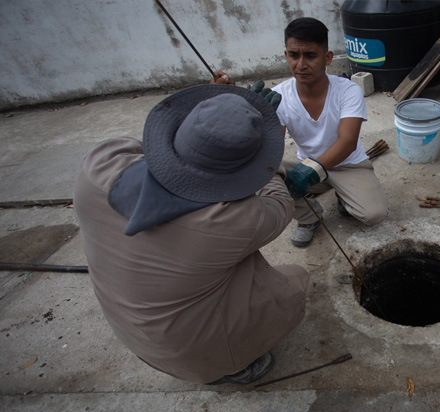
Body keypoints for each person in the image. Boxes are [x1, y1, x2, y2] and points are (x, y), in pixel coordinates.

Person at [74, 84, 311, 385]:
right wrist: (268, 152)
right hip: (187, 353)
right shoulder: (233, 222)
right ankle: (230, 367)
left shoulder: (100, 161)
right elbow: (279, 202)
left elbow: (153, 150)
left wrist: (213, 122)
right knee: (297, 281)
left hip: (132, 332)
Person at [272, 17, 389, 247]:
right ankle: (309, 218)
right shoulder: (278, 96)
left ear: (327, 58)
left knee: (374, 214)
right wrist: (253, 115)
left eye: (310, 55)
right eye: (294, 55)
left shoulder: (348, 90)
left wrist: (311, 172)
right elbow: (272, 147)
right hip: (306, 165)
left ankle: (343, 195)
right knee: (263, 178)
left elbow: (347, 141)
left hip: (348, 165)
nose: (301, 64)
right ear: (286, 55)